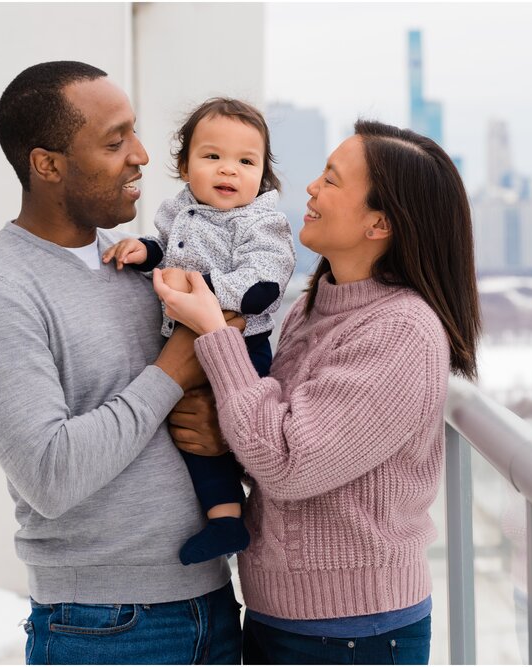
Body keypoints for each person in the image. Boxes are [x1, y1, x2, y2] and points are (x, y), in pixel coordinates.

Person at [154, 120, 481, 664]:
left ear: (379, 222)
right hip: (283, 613)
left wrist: (214, 334)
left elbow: (288, 460)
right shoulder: (315, 304)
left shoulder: (401, 331)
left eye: (331, 180)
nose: (310, 188)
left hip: (355, 630)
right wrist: (225, 438)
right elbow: (273, 428)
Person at [0, 61, 241, 665]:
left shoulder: (141, 266)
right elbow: (51, 475)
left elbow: (185, 411)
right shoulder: (0, 294)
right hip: (103, 630)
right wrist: (170, 374)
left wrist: (219, 434)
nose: (140, 155)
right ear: (47, 164)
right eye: (114, 141)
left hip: (215, 604)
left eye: (133, 134)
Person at [101, 98, 295, 566]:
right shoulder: (179, 210)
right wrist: (142, 251)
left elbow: (264, 283)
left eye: (245, 162)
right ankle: (225, 519)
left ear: (262, 175)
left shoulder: (261, 220)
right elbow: (166, 250)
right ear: (185, 166)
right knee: (191, 430)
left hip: (240, 345)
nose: (228, 170)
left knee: (226, 424)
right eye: (212, 157)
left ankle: (231, 518)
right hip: (187, 340)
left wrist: (204, 291)